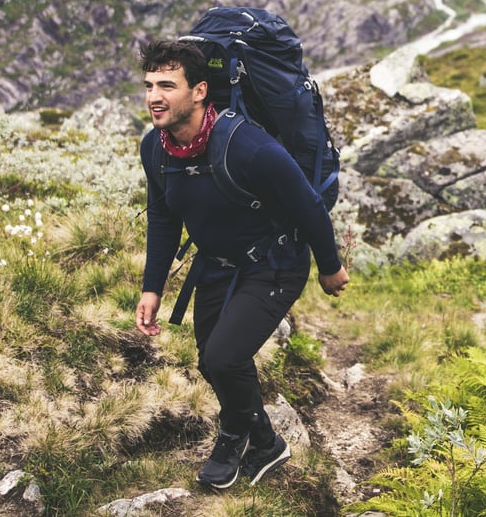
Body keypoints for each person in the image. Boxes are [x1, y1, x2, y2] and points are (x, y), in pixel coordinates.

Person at [135, 39, 349, 489]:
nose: (154, 96)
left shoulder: (247, 145)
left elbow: (308, 205)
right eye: (150, 84)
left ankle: (232, 437)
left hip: (274, 263)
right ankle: (267, 442)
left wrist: (329, 267)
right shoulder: (156, 148)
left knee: (226, 358)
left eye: (167, 85)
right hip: (217, 265)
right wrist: (151, 288)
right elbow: (162, 217)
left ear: (199, 92)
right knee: (211, 364)